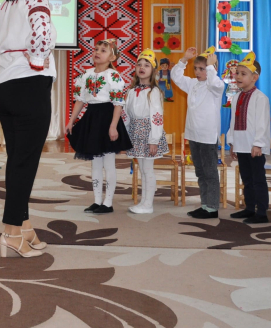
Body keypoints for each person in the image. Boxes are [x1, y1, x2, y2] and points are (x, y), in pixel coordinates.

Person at [0, 0, 56, 258]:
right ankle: (11, 233)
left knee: (17, 160)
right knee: (24, 162)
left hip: (4, 87)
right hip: (30, 85)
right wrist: (37, 62)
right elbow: (41, 36)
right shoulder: (37, 1)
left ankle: (24, 225)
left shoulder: (5, 6)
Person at [66, 39, 132, 214]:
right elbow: (80, 100)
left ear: (112, 57)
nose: (97, 52)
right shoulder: (86, 75)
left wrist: (113, 126)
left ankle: (108, 203)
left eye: (103, 50)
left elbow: (118, 104)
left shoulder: (113, 76)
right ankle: (97, 201)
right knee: (95, 163)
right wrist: (71, 121)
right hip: (92, 118)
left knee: (108, 163)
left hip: (107, 118)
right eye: (96, 49)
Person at [171, 46, 225, 219]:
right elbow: (176, 76)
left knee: (210, 172)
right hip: (193, 135)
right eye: (196, 68)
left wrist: (210, 67)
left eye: (202, 69)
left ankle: (212, 208)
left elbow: (214, 83)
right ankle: (205, 205)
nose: (198, 72)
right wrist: (184, 59)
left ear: (211, 69)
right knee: (200, 172)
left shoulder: (216, 85)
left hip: (208, 137)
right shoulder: (193, 84)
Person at [227, 52, 271, 224]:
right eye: (237, 73)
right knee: (246, 178)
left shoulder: (261, 98)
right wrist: (232, 142)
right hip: (241, 144)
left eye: (243, 74)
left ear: (254, 77)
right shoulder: (236, 97)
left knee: (258, 179)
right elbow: (233, 121)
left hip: (254, 146)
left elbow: (262, 123)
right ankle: (250, 208)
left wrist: (258, 144)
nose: (238, 76)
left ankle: (262, 212)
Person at [124, 49, 169, 214]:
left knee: (148, 169)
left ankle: (148, 204)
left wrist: (154, 140)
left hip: (148, 133)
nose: (142, 67)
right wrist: (125, 134)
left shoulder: (154, 92)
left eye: (146, 65)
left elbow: (157, 117)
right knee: (142, 169)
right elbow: (126, 115)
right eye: (139, 64)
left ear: (153, 70)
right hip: (136, 133)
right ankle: (143, 202)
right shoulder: (131, 91)